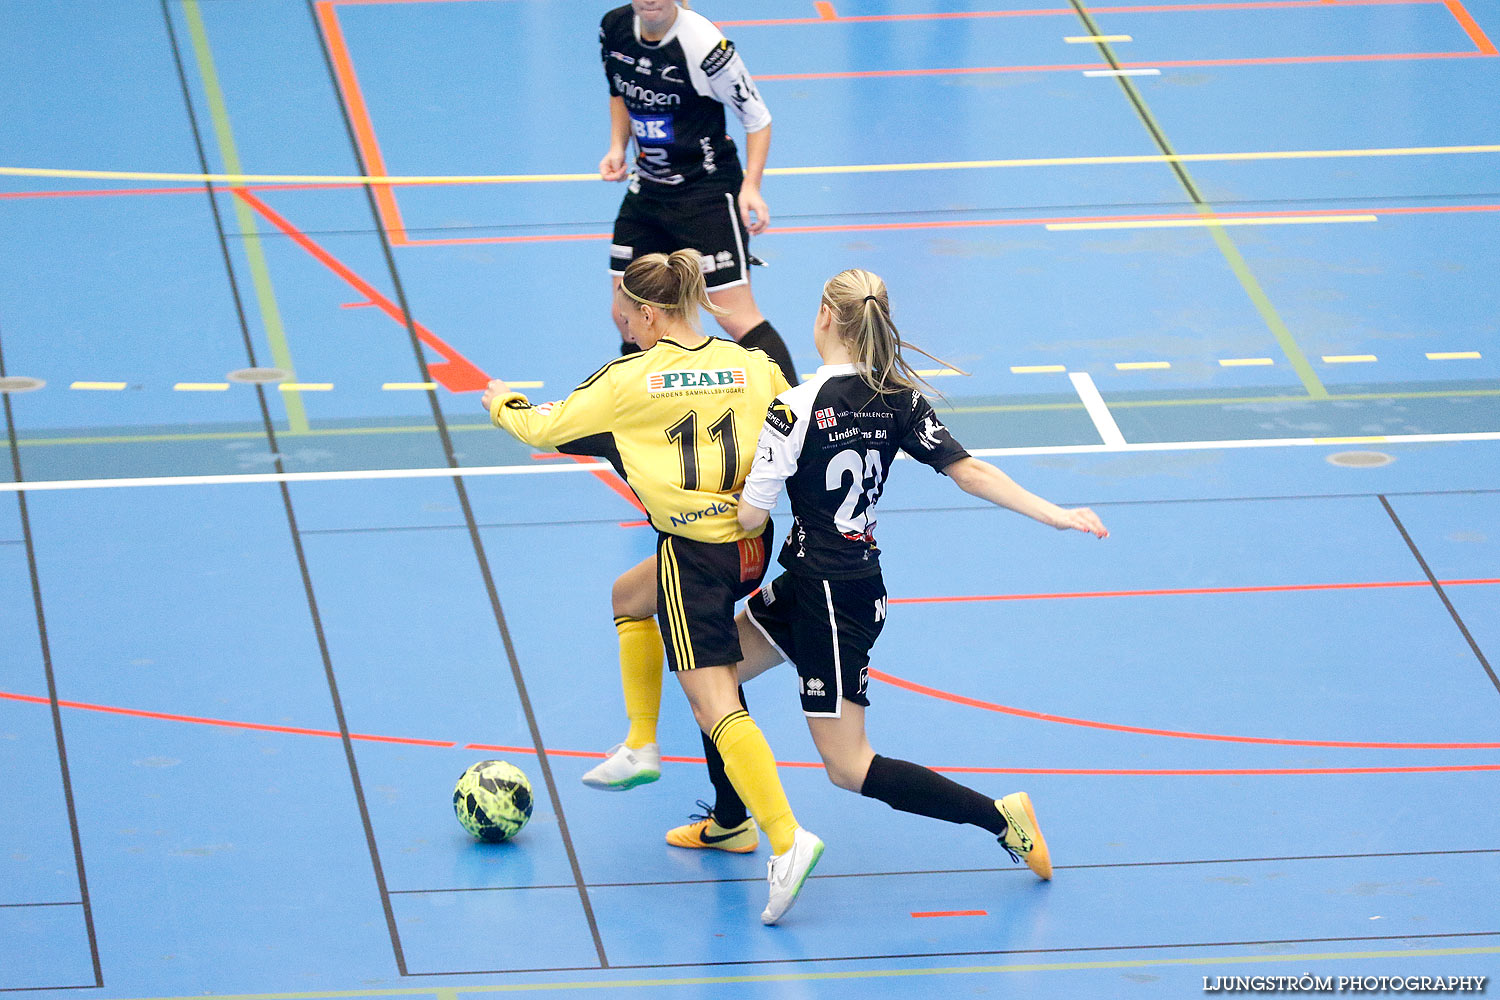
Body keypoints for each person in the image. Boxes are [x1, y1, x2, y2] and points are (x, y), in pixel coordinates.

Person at [665, 268, 1110, 881]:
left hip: (830, 599)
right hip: (822, 583)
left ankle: (1003, 819)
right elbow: (969, 470)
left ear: (824, 315)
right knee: (712, 683)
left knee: (848, 766)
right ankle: (733, 818)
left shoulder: (793, 409)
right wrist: (1055, 514)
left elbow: (748, 518)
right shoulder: (895, 397)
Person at [480, 250, 822, 924]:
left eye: (627, 318)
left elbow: (544, 428)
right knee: (628, 597)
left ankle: (786, 838)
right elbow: (797, 428)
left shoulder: (630, 377)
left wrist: (503, 404)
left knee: (714, 703)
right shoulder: (755, 365)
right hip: (754, 545)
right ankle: (640, 743)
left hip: (695, 556)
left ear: (651, 312)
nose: (626, 330)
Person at [599, 0, 800, 382]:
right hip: (648, 190)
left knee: (735, 317)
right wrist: (617, 146)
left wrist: (751, 187)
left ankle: (799, 418)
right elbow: (618, 90)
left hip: (705, 193)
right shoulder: (614, 27)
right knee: (625, 310)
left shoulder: (705, 46)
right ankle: (636, 414)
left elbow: (758, 119)